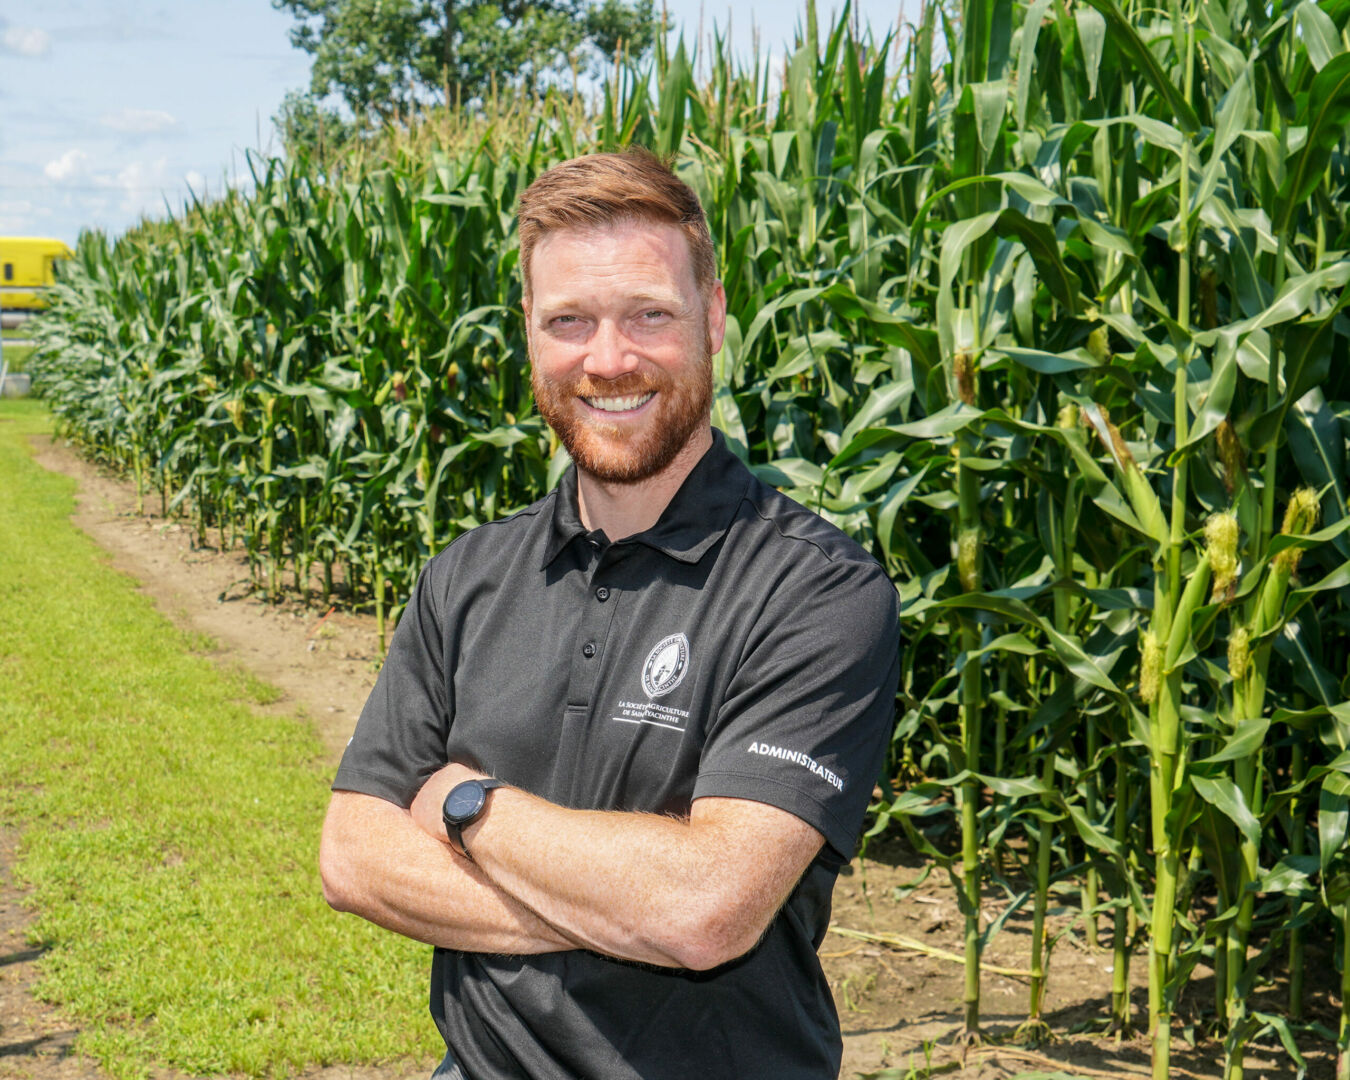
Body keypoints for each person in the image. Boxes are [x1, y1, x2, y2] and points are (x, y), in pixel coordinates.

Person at [320, 149, 901, 1080]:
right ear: (529, 334)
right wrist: (630, 911)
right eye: (569, 322)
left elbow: (706, 909)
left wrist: (465, 807)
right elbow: (353, 855)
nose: (608, 359)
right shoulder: (466, 578)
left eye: (649, 315)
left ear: (711, 319)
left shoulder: (819, 593)